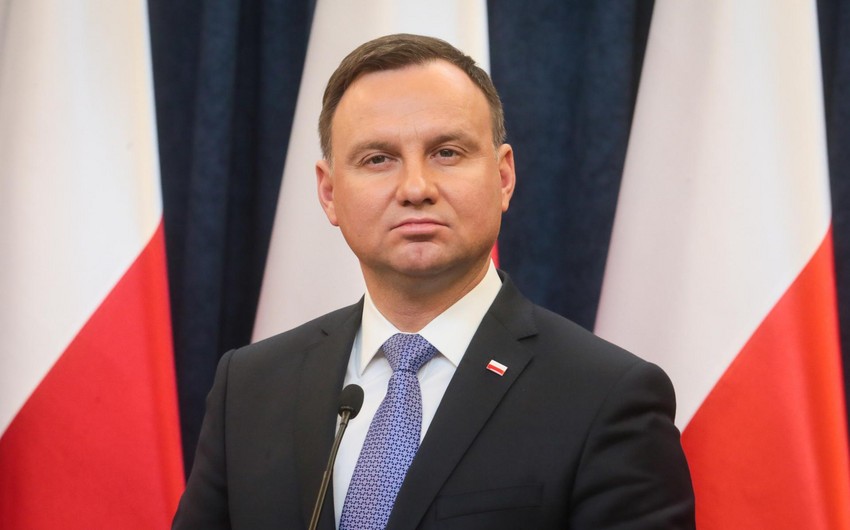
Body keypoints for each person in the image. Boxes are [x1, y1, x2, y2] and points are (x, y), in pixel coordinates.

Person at [173, 33, 695, 529]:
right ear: (329, 193)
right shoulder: (250, 386)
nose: (415, 187)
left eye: (446, 152)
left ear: (503, 176)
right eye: (378, 159)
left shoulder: (606, 397)